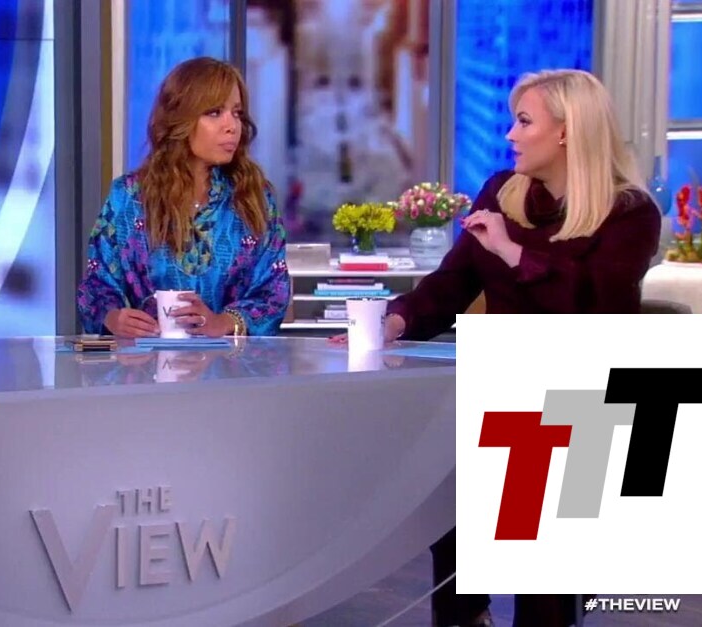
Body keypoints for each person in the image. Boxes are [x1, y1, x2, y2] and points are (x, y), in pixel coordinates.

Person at [339, 69, 660, 626]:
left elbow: (596, 304)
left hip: (583, 404)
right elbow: (452, 283)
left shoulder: (630, 212)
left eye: (525, 121)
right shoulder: (502, 194)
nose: (511, 134)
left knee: (541, 555)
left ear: (567, 131)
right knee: (447, 502)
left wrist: (514, 254)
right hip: (504, 392)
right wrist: (395, 321)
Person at [76, 57, 289, 338]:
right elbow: (96, 286)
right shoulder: (128, 197)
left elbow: (273, 293)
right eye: (215, 112)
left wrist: (222, 322)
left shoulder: (255, 199)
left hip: (230, 363)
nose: (232, 126)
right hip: (144, 360)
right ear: (180, 119)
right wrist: (115, 318)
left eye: (237, 113)